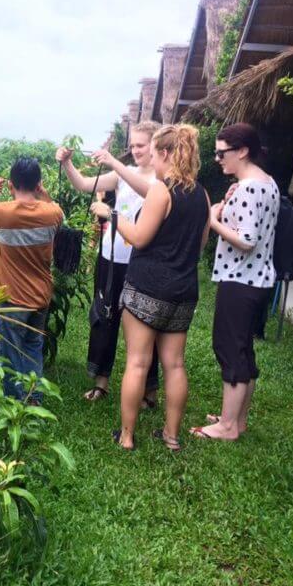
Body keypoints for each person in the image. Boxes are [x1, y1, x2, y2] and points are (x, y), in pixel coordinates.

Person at [92, 125, 210, 451]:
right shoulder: (202, 194)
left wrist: (111, 215)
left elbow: (140, 237)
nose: (153, 163)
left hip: (148, 288)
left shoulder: (162, 190)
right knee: (175, 364)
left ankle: (127, 436)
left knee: (138, 363)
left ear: (167, 154)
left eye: (156, 154)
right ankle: (172, 437)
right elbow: (200, 244)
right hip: (183, 292)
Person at [56, 121, 162, 406]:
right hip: (110, 257)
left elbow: (148, 193)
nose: (135, 150)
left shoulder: (162, 181)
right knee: (104, 317)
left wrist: (114, 161)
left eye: (141, 145)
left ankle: (148, 390)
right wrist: (67, 164)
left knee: (143, 324)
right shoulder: (123, 175)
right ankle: (101, 382)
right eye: (132, 146)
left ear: (156, 145)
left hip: (141, 262)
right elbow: (83, 184)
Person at [191, 123, 279, 441]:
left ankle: (227, 427)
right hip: (256, 279)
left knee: (229, 348)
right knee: (242, 350)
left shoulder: (249, 187)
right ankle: (236, 419)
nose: (217, 158)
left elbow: (246, 239)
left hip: (240, 279)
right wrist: (225, 208)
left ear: (242, 151)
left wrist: (212, 220)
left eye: (221, 152)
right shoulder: (265, 182)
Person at [0, 157, 64, 404]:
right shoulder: (53, 213)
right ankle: (34, 399)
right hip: (41, 296)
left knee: (10, 353)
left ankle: (13, 402)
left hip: (12, 300)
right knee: (33, 347)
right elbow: (52, 207)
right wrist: (42, 193)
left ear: (10, 185)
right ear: (38, 185)